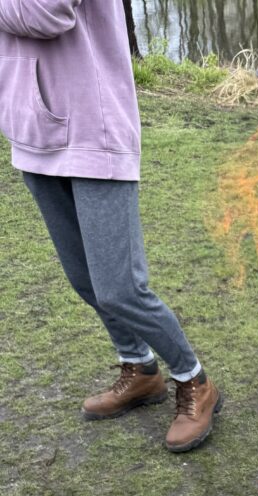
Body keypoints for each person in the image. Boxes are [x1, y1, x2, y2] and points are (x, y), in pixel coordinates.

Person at [0, 0, 222, 452]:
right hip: (32, 129)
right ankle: (139, 368)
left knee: (120, 288)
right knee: (83, 279)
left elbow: (48, 13)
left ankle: (193, 379)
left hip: (92, 129)